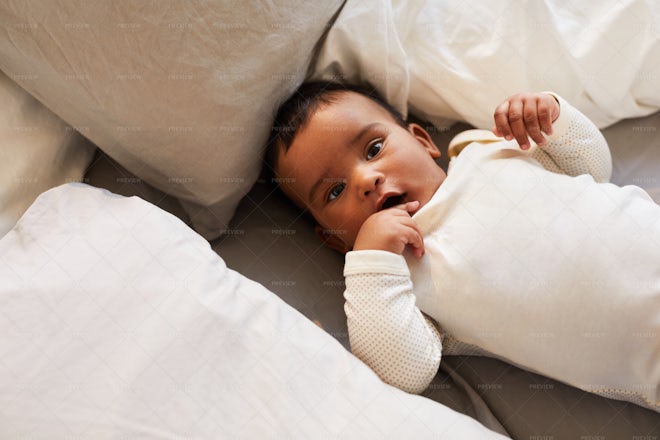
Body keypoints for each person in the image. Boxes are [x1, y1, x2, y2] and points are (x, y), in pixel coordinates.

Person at [266, 81, 660, 412]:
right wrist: (372, 262)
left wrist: (552, 116)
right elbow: (401, 371)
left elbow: (590, 169)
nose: (366, 179)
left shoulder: (484, 151)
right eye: (335, 191)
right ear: (333, 239)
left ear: (423, 141)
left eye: (373, 150)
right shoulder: (402, 285)